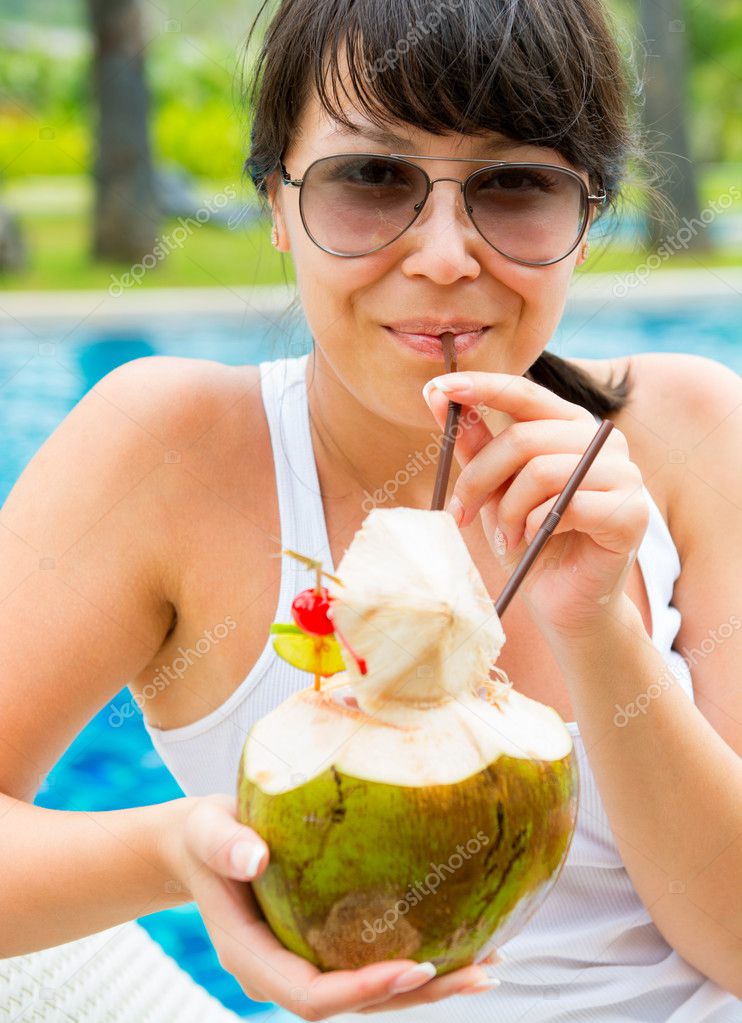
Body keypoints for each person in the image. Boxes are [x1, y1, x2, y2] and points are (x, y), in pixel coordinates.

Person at [1, 0, 740, 1020]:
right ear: (275, 201)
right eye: (372, 179)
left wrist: (599, 627)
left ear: (587, 216)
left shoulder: (692, 436)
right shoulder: (166, 452)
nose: (443, 256)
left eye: (515, 184)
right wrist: (178, 848)